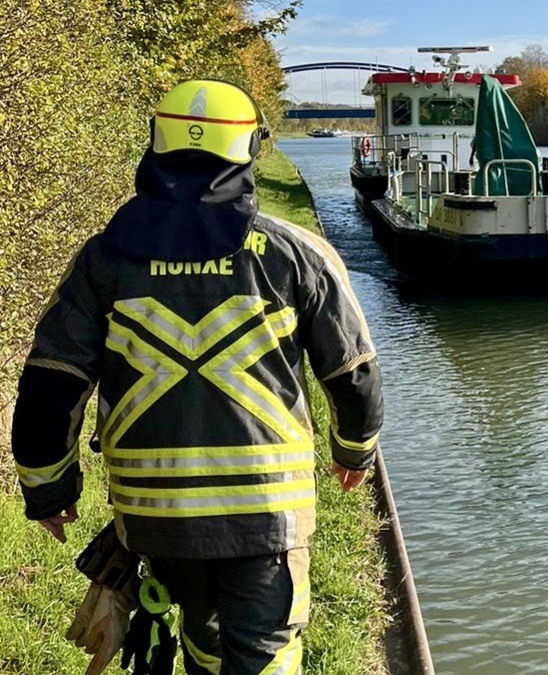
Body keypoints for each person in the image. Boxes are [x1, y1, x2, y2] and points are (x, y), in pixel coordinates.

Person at [10, 79, 384, 674]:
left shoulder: (105, 258)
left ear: (156, 147)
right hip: (266, 514)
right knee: (266, 653)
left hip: (154, 515)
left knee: (202, 638)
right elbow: (353, 371)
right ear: (252, 149)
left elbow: (51, 383)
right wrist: (354, 451)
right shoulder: (293, 254)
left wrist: (49, 489)